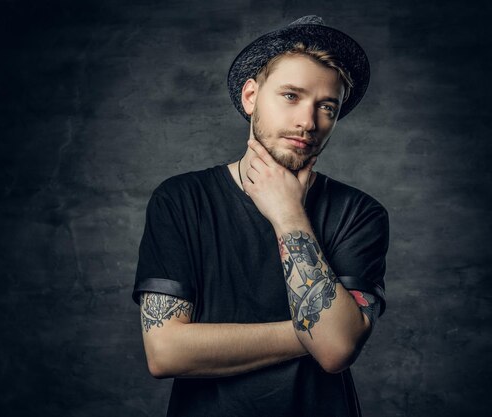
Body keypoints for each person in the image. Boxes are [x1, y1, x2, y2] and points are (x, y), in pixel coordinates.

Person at [132, 15, 389, 417]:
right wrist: (316, 333)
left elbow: (338, 352)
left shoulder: (359, 213)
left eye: (326, 106)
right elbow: (164, 352)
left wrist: (288, 215)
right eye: (291, 95)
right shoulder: (182, 199)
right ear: (251, 96)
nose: (308, 121)